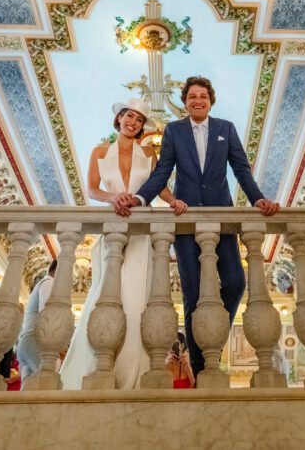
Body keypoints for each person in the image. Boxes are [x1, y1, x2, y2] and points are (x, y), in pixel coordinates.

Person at [121, 77, 280, 380]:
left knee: (235, 282)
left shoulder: (226, 129)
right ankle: (198, 363)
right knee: (192, 291)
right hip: (186, 221)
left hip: (222, 215)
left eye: (203, 96)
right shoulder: (174, 131)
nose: (197, 100)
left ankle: (214, 338)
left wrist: (259, 199)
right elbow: (163, 171)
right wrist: (140, 198)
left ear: (210, 101)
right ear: (185, 101)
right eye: (192, 96)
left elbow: (241, 169)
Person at [61, 98, 185, 390]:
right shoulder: (100, 151)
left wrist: (174, 201)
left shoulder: (148, 152)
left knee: (136, 296)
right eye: (129, 116)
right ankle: (100, 365)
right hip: (114, 227)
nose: (133, 122)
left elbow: (159, 185)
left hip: (142, 231)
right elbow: (92, 188)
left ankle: (134, 372)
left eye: (139, 119)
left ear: (142, 126)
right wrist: (112, 197)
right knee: (108, 294)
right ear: (118, 118)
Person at [16, 259, 56, 380]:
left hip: (26, 341)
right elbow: (46, 314)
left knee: (29, 391)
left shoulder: (43, 283)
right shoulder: (49, 282)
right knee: (48, 381)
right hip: (34, 341)